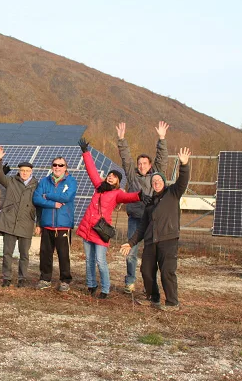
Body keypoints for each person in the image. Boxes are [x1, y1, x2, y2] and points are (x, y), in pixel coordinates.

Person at [120, 147, 191, 311]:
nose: (156, 183)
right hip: (151, 242)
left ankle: (173, 302)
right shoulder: (149, 203)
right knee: (146, 270)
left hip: (168, 240)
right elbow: (142, 227)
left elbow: (183, 181)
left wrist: (184, 164)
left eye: (158, 181)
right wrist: (130, 243)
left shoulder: (172, 193)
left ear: (164, 182)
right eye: (154, 182)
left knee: (167, 271)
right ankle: (153, 298)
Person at [76, 138, 143, 299]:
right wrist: (86, 152)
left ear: (118, 182)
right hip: (87, 228)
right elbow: (91, 169)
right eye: (110, 175)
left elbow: (130, 197)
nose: (111, 177)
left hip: (100, 231)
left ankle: (105, 288)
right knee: (89, 260)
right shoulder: (99, 186)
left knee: (100, 260)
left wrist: (141, 195)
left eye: (115, 176)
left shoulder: (117, 193)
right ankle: (91, 285)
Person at [116, 121, 169, 293]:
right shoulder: (132, 177)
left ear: (150, 165)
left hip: (152, 221)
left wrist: (162, 138)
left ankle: (150, 284)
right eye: (139, 163)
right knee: (130, 252)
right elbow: (126, 159)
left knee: (151, 254)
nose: (141, 166)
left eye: (145, 163)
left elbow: (162, 159)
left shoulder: (156, 176)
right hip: (135, 220)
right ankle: (130, 281)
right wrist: (122, 139)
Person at [0, 147, 40, 288]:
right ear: (19, 171)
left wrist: (38, 223)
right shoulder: (11, 181)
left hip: (26, 222)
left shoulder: (37, 186)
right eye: (22, 170)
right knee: (7, 253)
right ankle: (7, 278)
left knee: (24, 254)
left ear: (31, 172)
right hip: (10, 221)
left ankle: (22, 278)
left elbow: (40, 206)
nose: (24, 173)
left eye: (27, 171)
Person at [33, 157, 77, 292]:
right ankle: (45, 279)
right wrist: (52, 203)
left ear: (65, 167)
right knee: (45, 253)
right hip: (47, 224)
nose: (57, 167)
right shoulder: (44, 181)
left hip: (63, 224)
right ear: (52, 166)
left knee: (64, 255)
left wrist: (47, 195)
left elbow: (66, 197)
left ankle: (65, 280)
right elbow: (36, 198)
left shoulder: (71, 181)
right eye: (55, 165)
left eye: (60, 165)